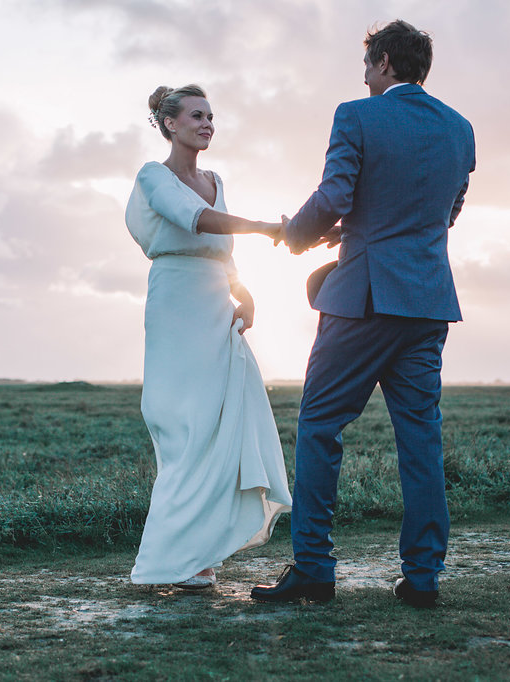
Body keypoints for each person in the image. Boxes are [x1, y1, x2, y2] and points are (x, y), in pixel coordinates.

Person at [251, 20, 475, 606]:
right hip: (427, 301)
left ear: (380, 63)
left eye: (367, 62)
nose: (364, 73)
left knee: (321, 425)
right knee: (420, 440)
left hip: (366, 301)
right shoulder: (461, 129)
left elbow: (333, 196)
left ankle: (314, 569)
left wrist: (297, 236)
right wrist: (360, 231)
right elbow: (443, 212)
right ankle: (423, 576)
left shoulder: (357, 115)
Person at [126, 84, 292, 589]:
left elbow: (222, 246)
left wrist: (245, 291)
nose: (208, 124)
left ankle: (200, 556)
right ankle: (163, 560)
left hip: (217, 307)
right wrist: (267, 227)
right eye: (197, 116)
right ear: (169, 124)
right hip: (176, 305)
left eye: (212, 116)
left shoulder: (216, 179)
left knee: (222, 425)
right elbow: (195, 220)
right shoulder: (154, 176)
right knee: (185, 428)